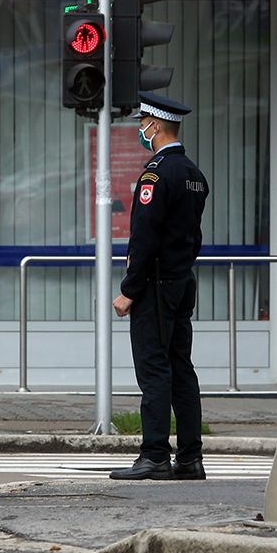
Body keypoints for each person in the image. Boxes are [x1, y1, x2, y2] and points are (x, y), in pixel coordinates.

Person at [110, 92, 210, 481]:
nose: (140, 130)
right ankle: (190, 457)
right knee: (181, 368)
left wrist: (129, 290)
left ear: (155, 125)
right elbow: (192, 237)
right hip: (182, 281)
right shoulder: (193, 174)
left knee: (154, 368)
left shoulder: (156, 173)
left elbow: (146, 237)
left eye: (142, 124)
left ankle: (154, 455)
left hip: (155, 285)